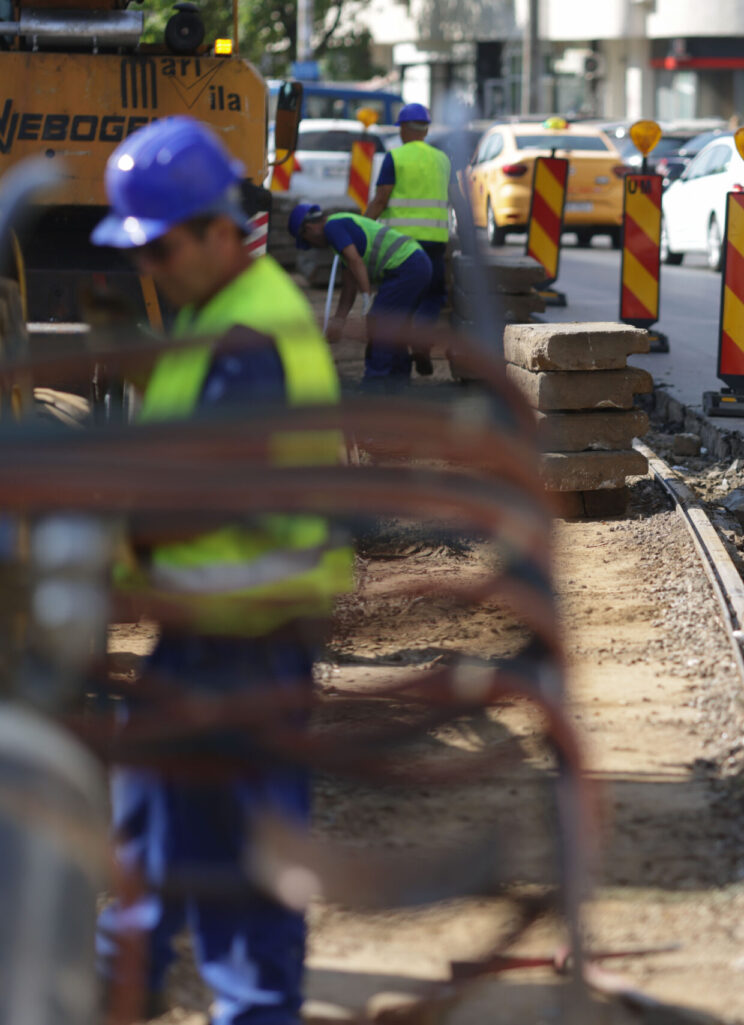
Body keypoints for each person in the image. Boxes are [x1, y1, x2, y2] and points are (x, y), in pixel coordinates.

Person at [90, 117, 352, 1025]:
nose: (146, 268)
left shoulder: (248, 335)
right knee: (143, 862)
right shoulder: (214, 313)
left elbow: (207, 494)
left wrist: (87, 523)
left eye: (157, 248)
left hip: (247, 653)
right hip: (201, 641)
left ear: (213, 230)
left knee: (238, 892)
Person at [288, 203, 430, 390]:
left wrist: (367, 298)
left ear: (309, 228)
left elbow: (356, 262)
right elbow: (349, 286)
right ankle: (398, 383)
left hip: (408, 266)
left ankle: (374, 385)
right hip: (416, 264)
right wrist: (338, 320)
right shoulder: (342, 234)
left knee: (379, 323)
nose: (313, 246)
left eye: (307, 241)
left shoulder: (332, 227)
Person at [365, 102, 451, 378]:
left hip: (402, 247)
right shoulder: (443, 159)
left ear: (403, 128)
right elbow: (458, 200)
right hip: (436, 242)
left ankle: (393, 363)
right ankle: (422, 342)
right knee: (431, 297)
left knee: (399, 303)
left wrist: (362, 225)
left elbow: (381, 198)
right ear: (425, 129)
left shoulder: (395, 157)